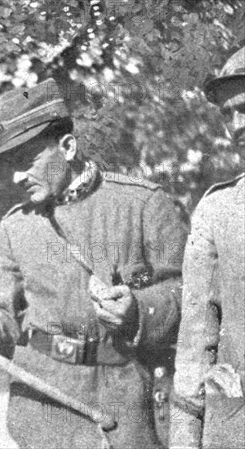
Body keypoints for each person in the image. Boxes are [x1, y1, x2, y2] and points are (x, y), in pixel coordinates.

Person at [0, 78, 189, 448]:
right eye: (10, 165)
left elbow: (190, 294)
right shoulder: (15, 227)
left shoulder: (143, 205)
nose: (17, 177)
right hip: (46, 407)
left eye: (26, 161)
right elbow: (8, 319)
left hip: (131, 400)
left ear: (68, 146)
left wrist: (138, 310)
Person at [169, 47, 245, 449]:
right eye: (228, 113)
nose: (237, 125)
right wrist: (184, 439)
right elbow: (196, 341)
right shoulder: (219, 210)